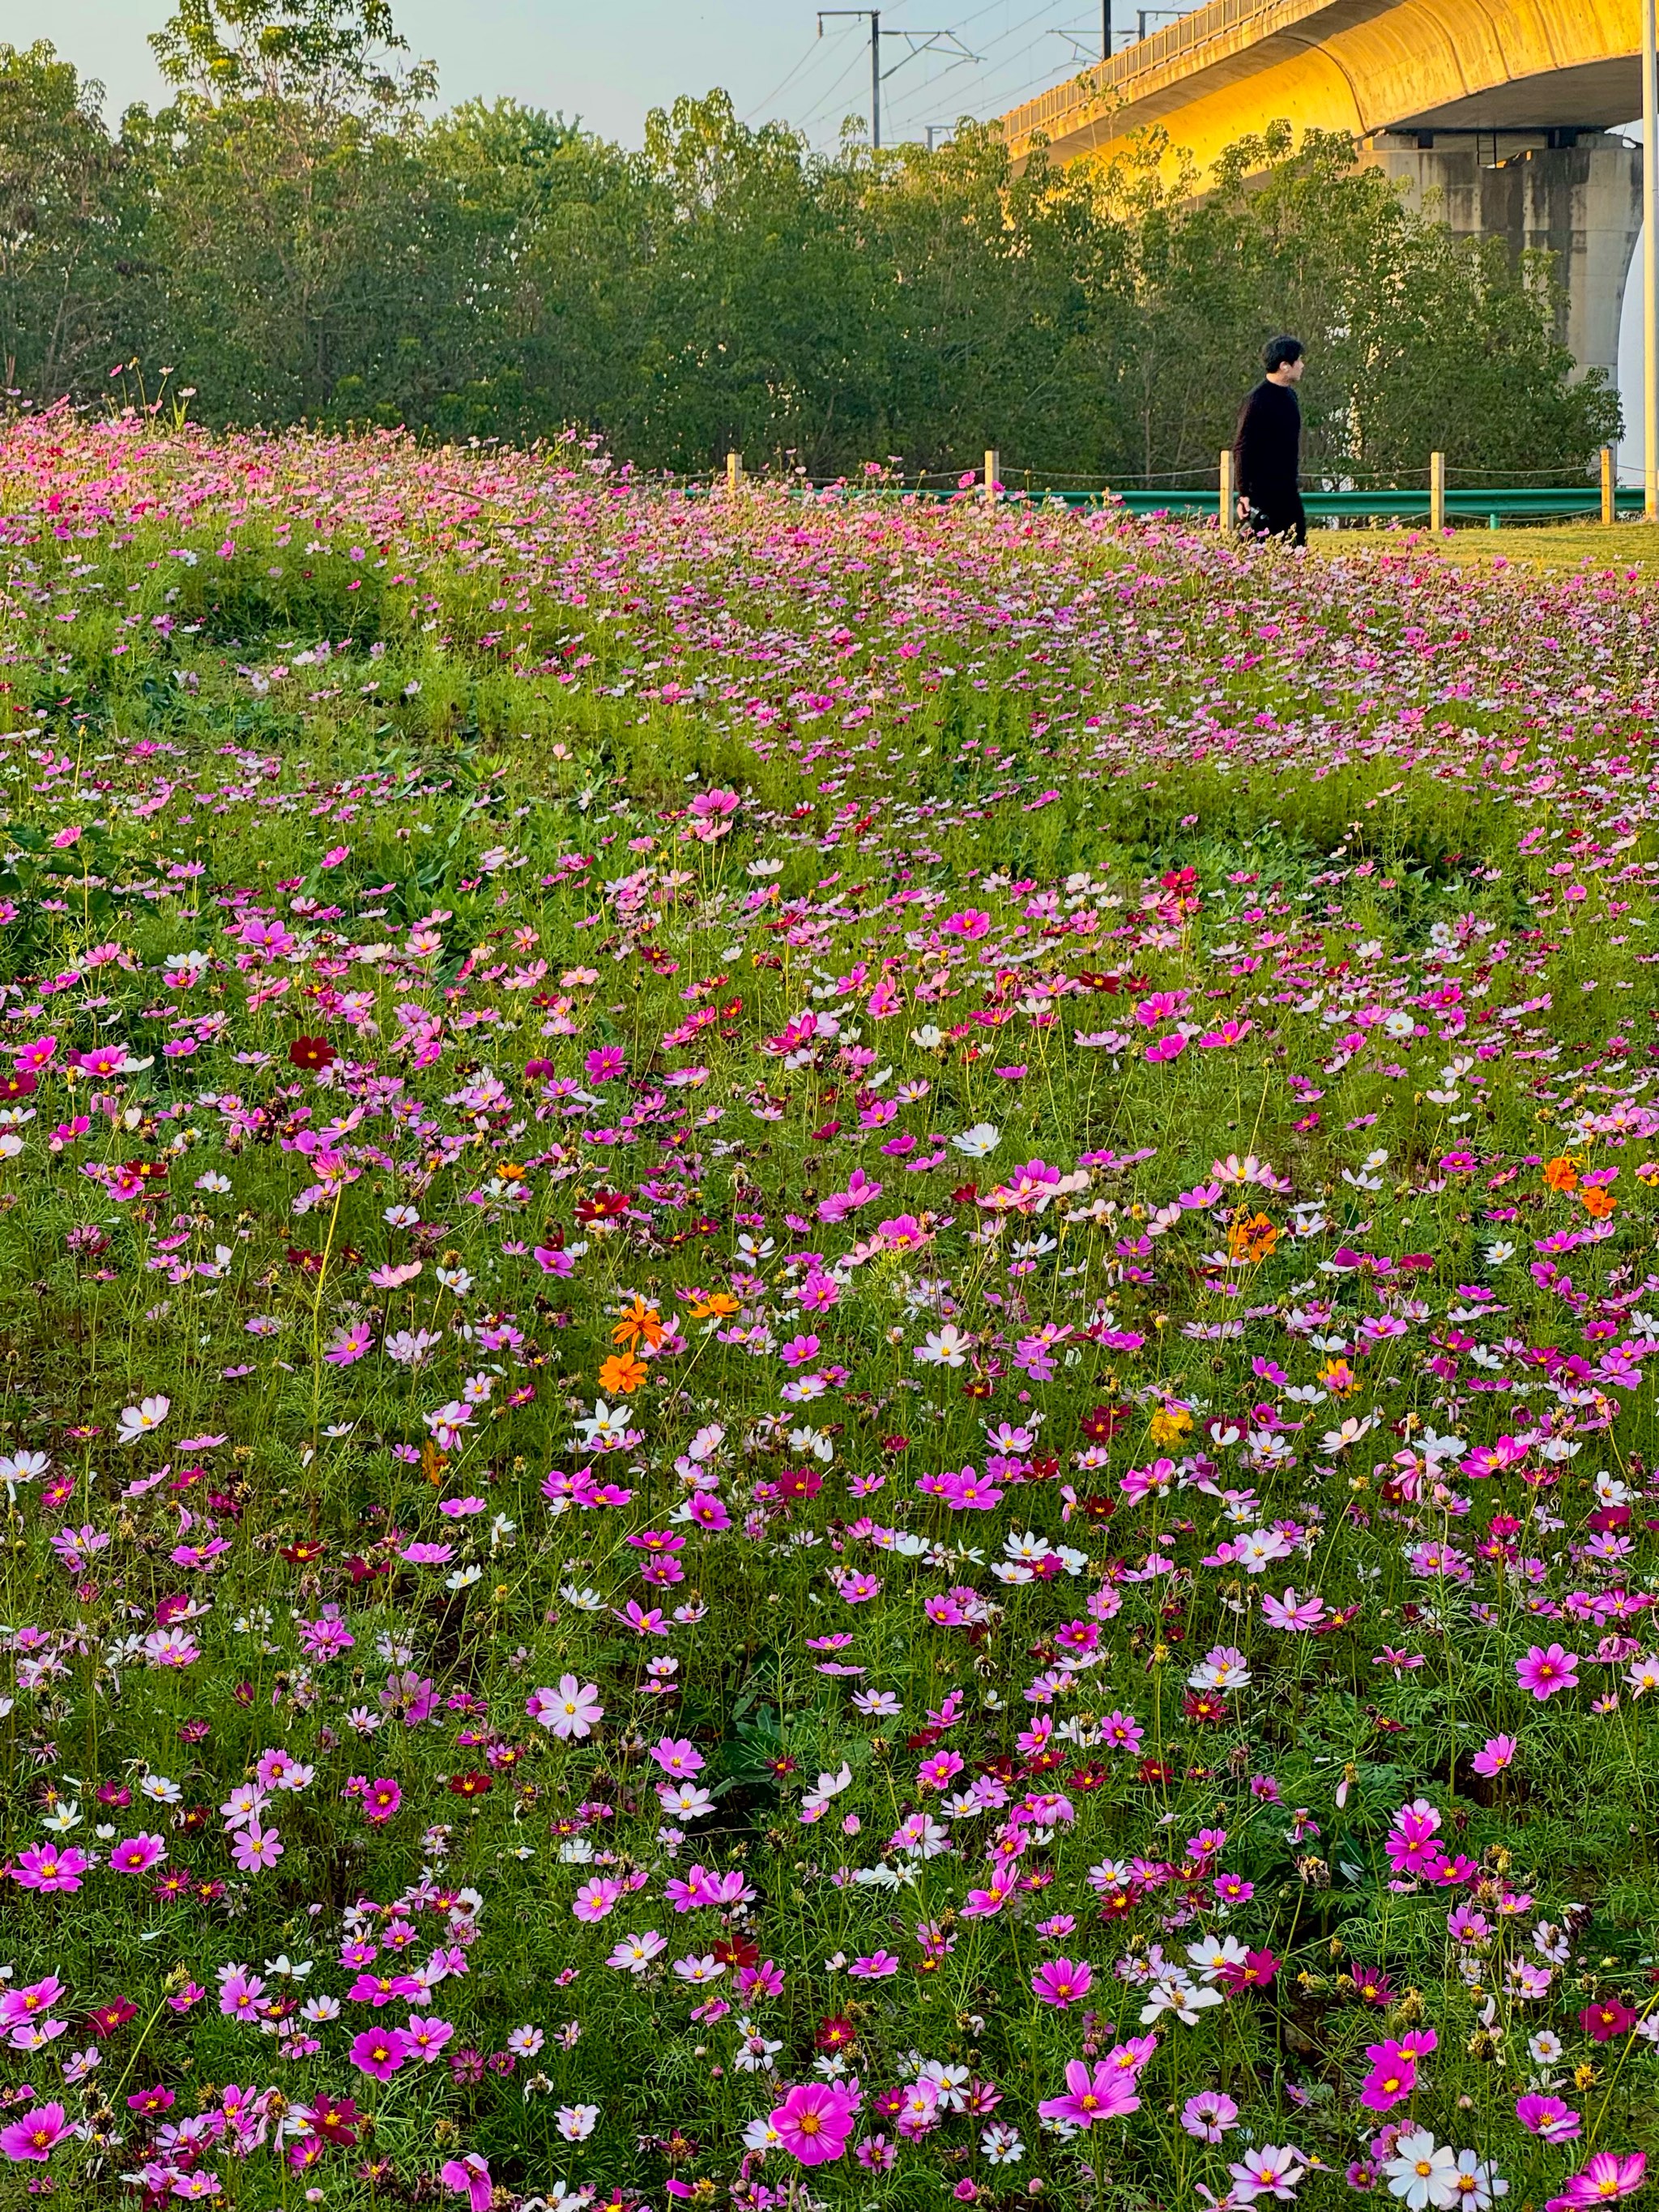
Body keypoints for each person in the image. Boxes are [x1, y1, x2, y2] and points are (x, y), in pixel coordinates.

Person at [1234, 335, 1307, 546]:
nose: (1302, 365)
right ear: (1284, 366)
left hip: (1288, 491)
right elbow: (1242, 448)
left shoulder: (1291, 397)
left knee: (1297, 549)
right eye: (1298, 360)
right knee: (1256, 554)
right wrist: (1244, 493)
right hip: (1263, 495)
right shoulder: (1256, 401)